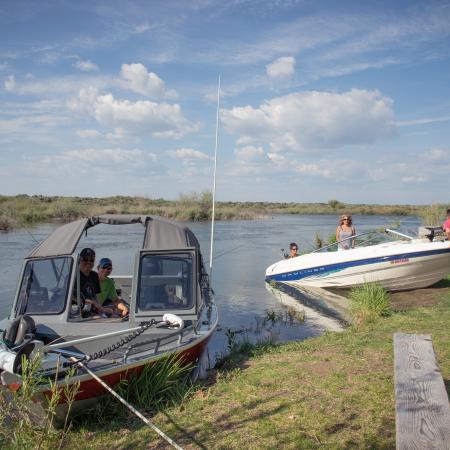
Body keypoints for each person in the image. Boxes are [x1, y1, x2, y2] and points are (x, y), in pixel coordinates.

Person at [74, 247, 110, 316]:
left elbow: (95, 296)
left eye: (91, 260)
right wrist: (92, 303)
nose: (88, 262)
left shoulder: (94, 275)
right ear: (80, 260)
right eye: (85, 259)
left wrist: (100, 308)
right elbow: (72, 299)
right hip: (81, 311)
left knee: (113, 313)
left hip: (94, 309)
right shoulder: (74, 276)